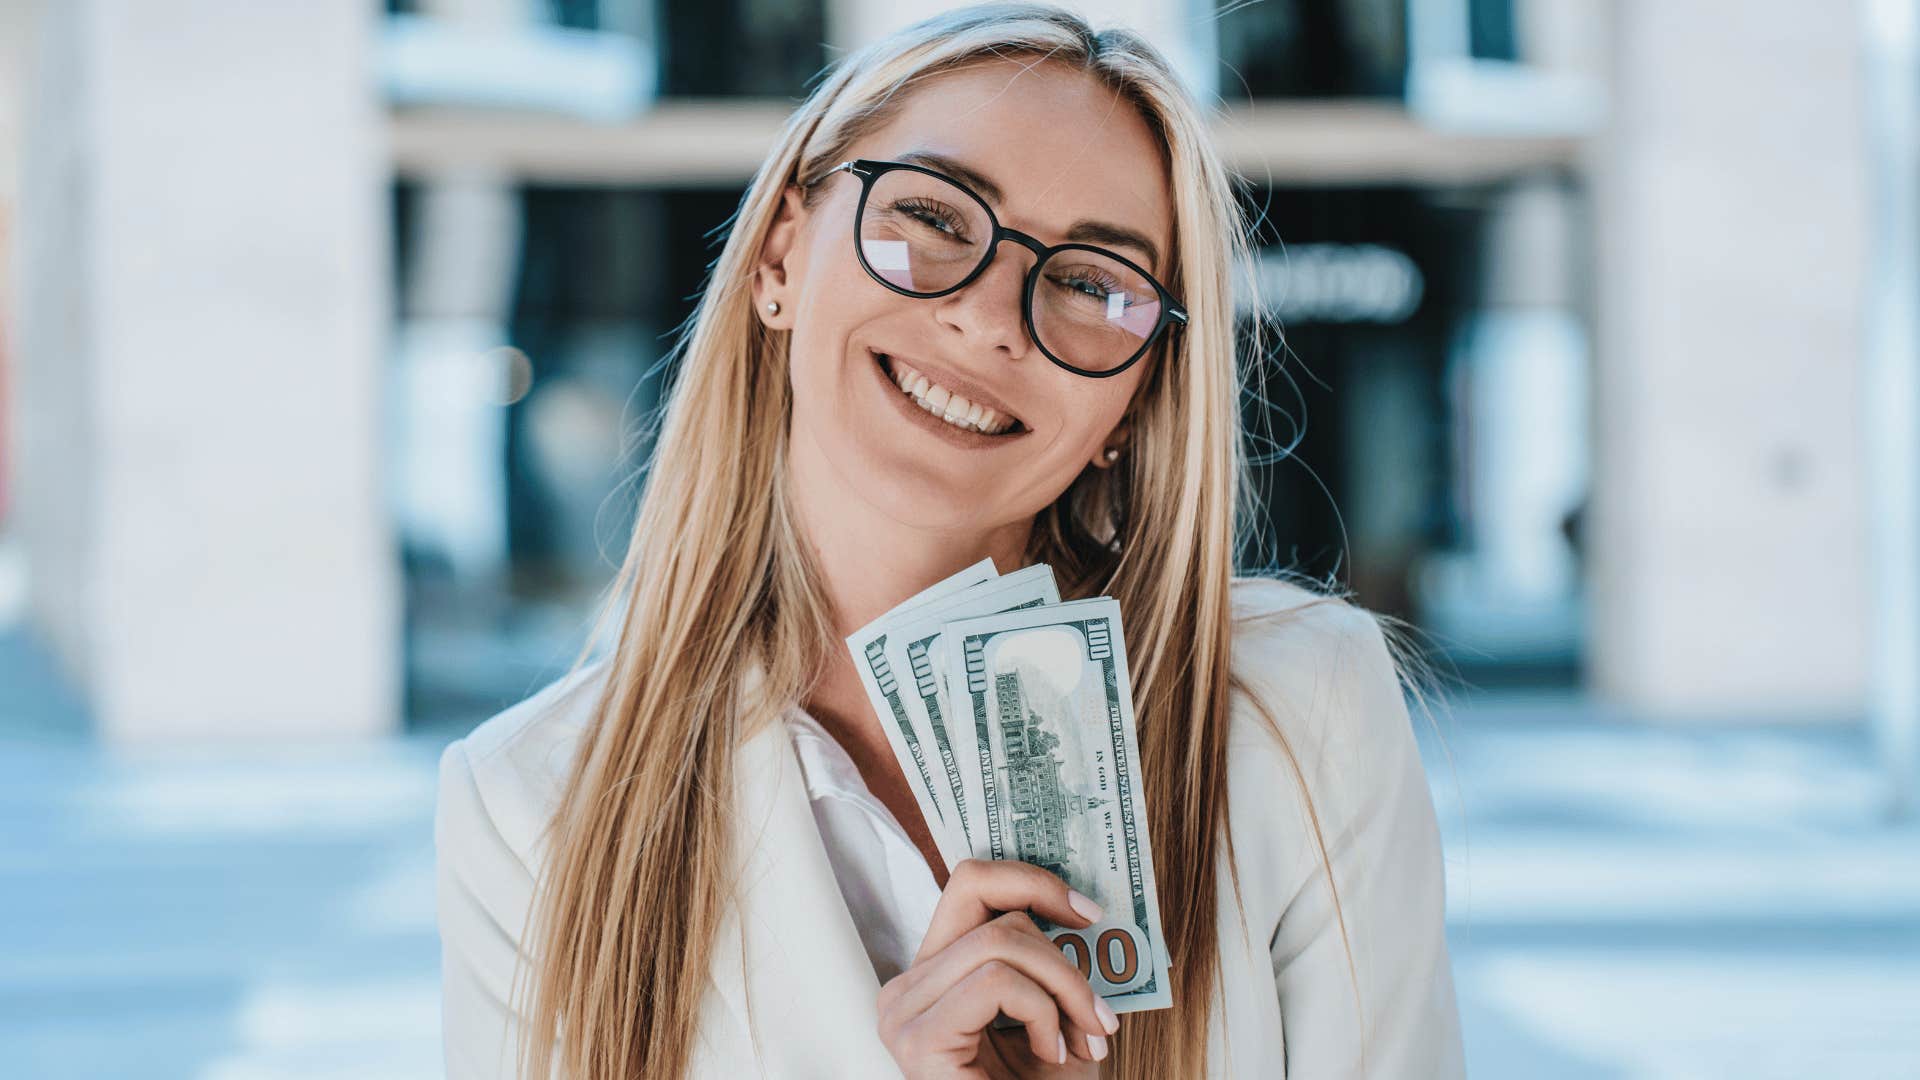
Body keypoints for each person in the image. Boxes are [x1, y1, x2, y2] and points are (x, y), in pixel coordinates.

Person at [433, 4, 1465, 1077]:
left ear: (1135, 398)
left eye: (1089, 283)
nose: (989, 319)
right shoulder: (531, 809)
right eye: (931, 215)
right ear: (781, 255)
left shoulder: (1305, 713)